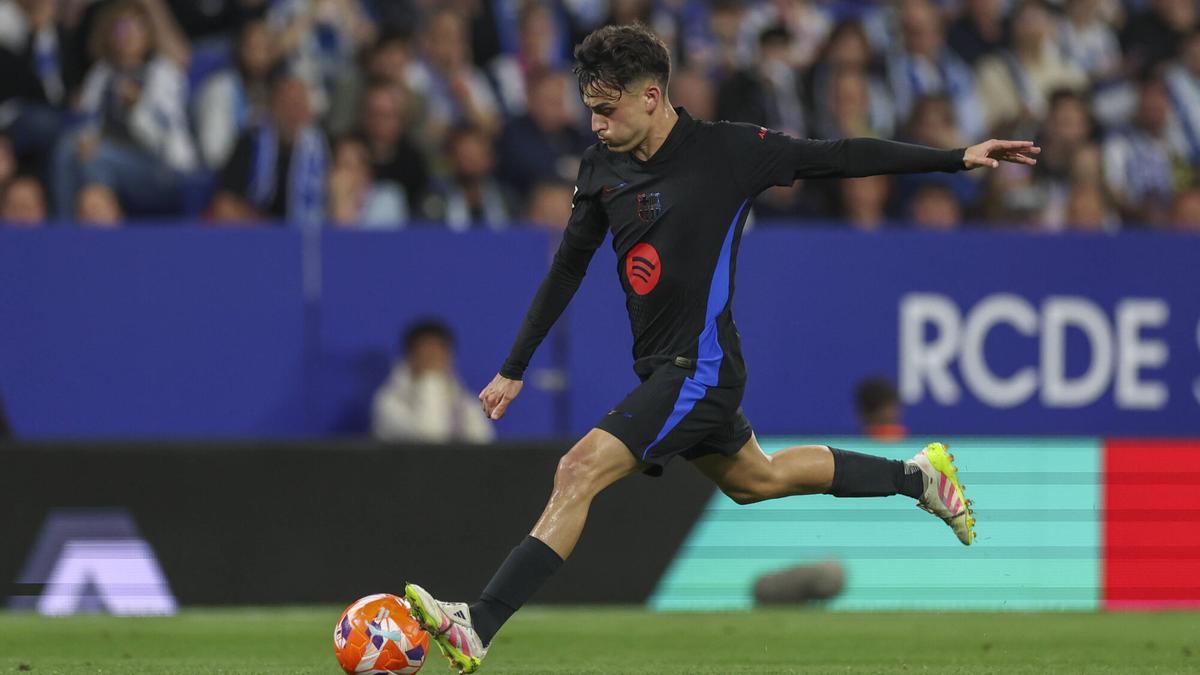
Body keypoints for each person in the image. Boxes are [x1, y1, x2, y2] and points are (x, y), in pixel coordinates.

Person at [403, 24, 1038, 673]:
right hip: (669, 367)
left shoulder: (729, 150)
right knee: (757, 478)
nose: (594, 123)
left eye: (606, 108)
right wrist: (514, 367)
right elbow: (567, 267)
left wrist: (956, 157)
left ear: (651, 97)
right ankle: (919, 477)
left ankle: (479, 623)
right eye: (590, 107)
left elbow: (838, 155)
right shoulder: (600, 168)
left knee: (578, 469)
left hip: (699, 368)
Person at [371, 319, 494, 443]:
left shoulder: (464, 401)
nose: (433, 360)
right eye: (426, 354)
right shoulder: (388, 402)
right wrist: (431, 381)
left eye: (438, 353)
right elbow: (431, 440)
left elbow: (483, 442)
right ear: (411, 356)